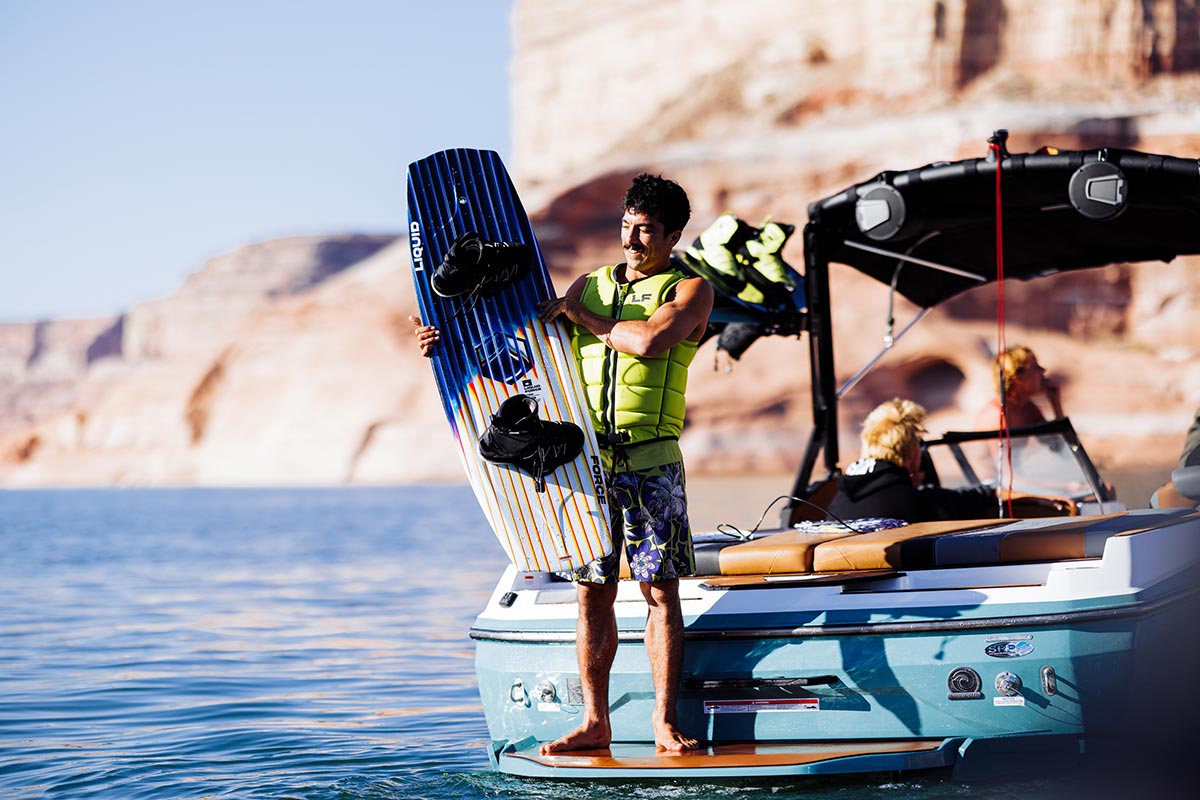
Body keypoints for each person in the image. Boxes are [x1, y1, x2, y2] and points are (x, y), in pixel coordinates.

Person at [410, 173, 713, 754]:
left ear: (673, 235)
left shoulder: (689, 290)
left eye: (647, 230)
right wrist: (442, 344)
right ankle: (596, 722)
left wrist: (582, 317)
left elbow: (649, 342)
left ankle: (663, 720)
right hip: (585, 464)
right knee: (591, 593)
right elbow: (524, 351)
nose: (631, 239)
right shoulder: (589, 285)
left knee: (659, 591)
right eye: (626, 225)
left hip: (650, 461)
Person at [827, 398, 1071, 522]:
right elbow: (984, 495)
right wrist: (1040, 498)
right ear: (912, 454)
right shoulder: (914, 499)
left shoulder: (839, 499)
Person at [974, 345, 1065, 430]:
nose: (1043, 370)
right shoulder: (997, 416)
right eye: (1035, 367)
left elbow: (1057, 441)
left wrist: (1056, 404)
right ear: (1018, 377)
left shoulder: (1028, 409)